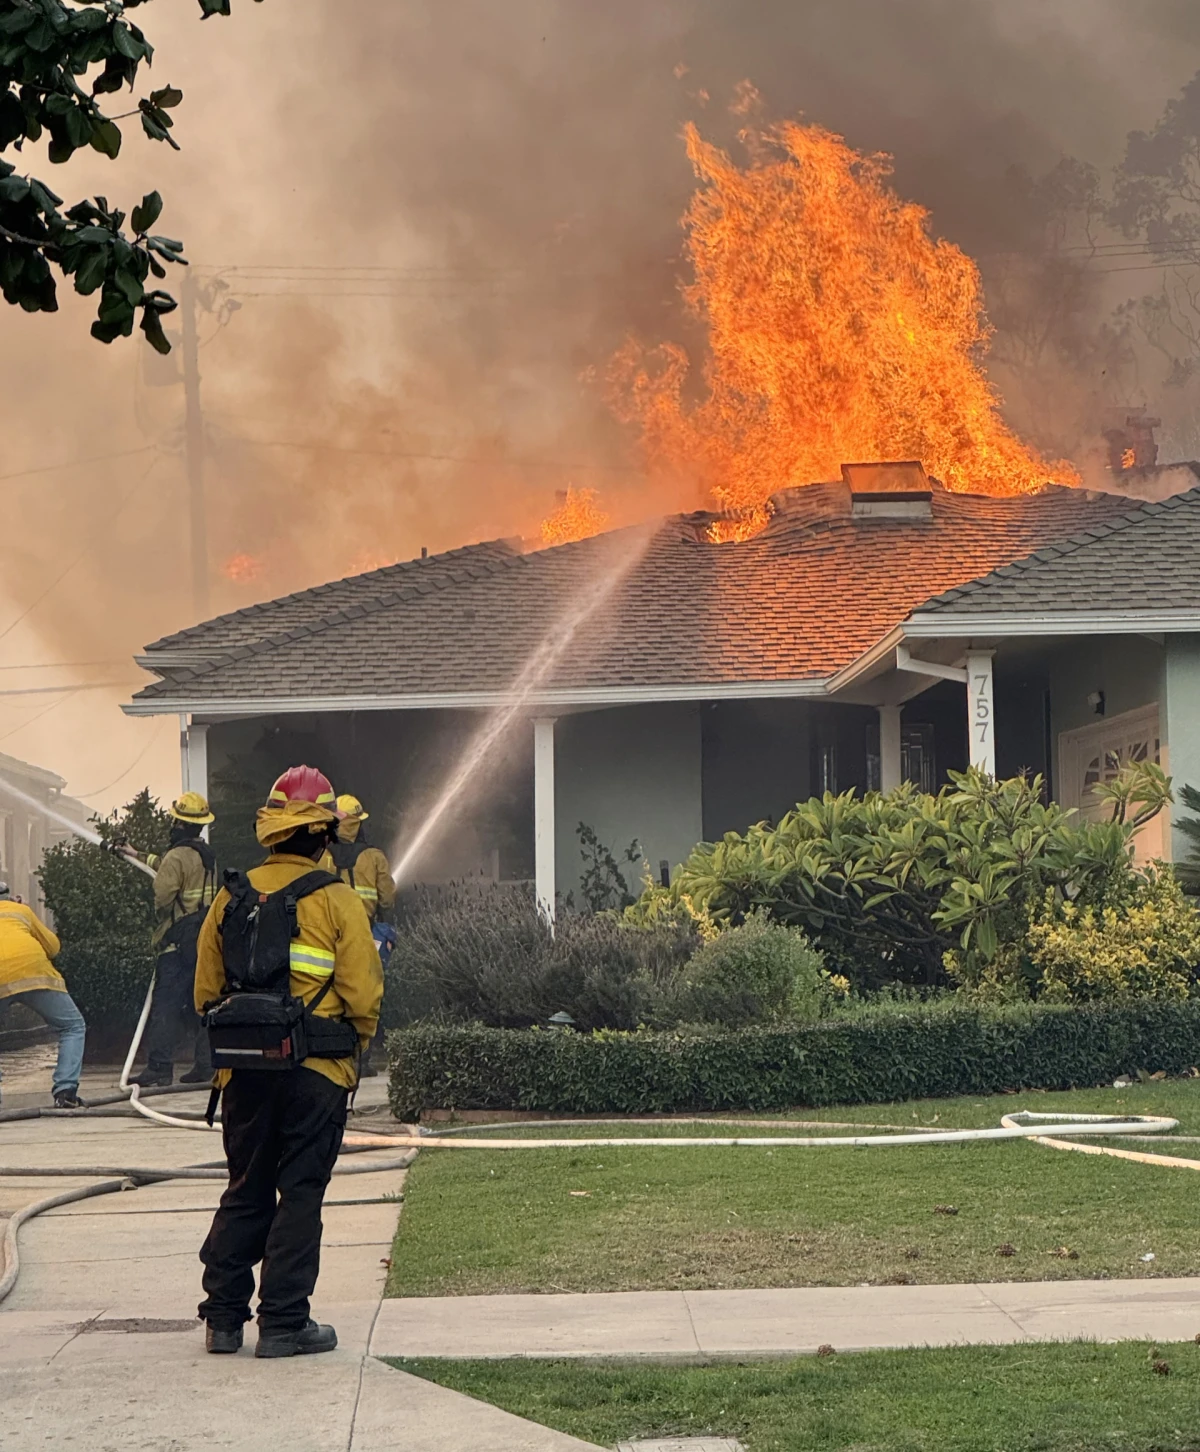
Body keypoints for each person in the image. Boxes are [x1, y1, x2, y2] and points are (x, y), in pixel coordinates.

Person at [193, 765, 382, 1358]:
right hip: (317, 1075)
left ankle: (223, 1321)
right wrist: (352, 1056)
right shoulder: (339, 901)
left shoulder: (231, 897)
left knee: (246, 1188)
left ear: (271, 833)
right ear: (325, 836)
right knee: (299, 1192)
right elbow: (364, 996)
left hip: (244, 1074)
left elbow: (205, 994)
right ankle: (283, 1323)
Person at [120, 792, 219, 1088]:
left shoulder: (177, 856)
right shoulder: (205, 854)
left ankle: (160, 1068)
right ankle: (205, 1066)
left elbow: (162, 895)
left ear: (178, 822)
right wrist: (135, 853)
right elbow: (165, 863)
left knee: (165, 1007)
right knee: (202, 1004)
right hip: (202, 940)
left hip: (176, 944)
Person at [0, 881, 86, 1109]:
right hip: (34, 973)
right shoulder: (21, 911)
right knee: (72, 1027)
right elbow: (54, 946)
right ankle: (65, 1092)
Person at [330, 794, 396, 1077]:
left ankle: (334, 1054)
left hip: (329, 934)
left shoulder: (323, 856)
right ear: (359, 824)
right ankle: (363, 1060)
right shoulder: (374, 857)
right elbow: (388, 898)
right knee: (364, 994)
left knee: (332, 993)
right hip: (365, 934)